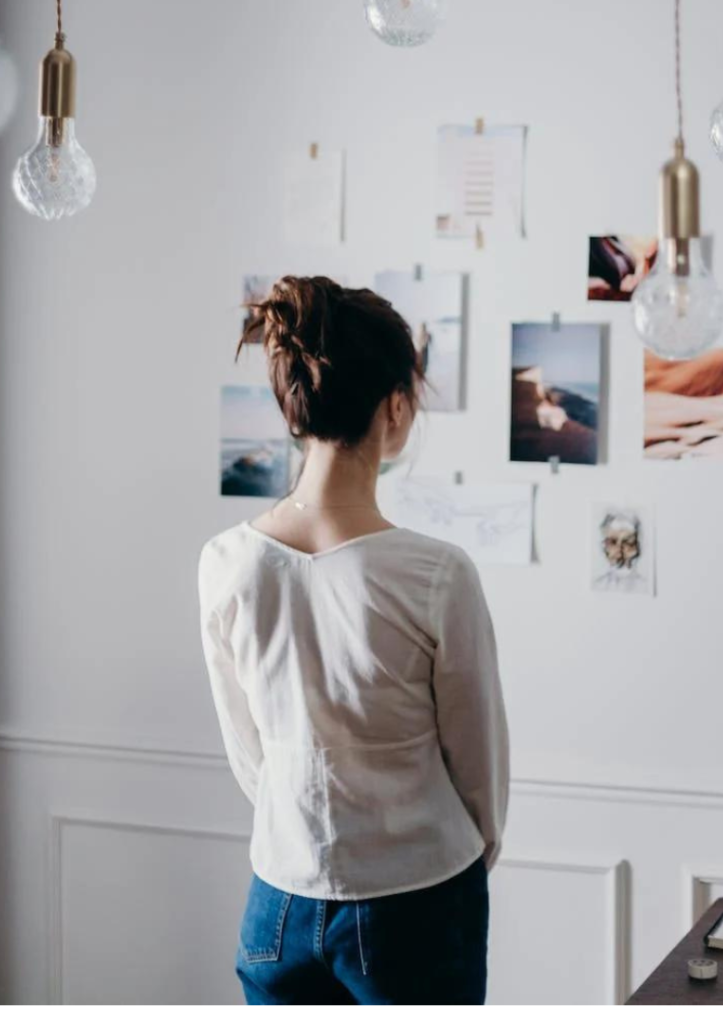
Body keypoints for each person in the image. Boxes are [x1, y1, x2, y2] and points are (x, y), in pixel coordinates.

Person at [197, 276, 509, 1005]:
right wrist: (462, 864)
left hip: (276, 900)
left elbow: (252, 757)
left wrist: (305, 834)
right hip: (417, 896)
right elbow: (478, 770)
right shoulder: (436, 574)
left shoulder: (226, 562)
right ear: (396, 407)